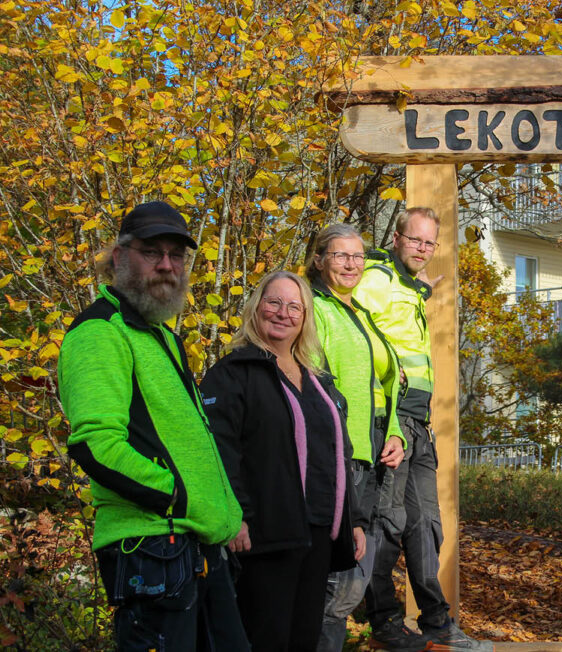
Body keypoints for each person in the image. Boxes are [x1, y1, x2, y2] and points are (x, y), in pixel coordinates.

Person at [58, 201, 249, 650]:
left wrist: (223, 513)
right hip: (150, 548)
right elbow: (95, 446)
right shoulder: (99, 332)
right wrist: (181, 498)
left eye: (176, 255)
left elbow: (189, 443)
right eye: (152, 252)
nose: (166, 265)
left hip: (192, 544)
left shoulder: (160, 334)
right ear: (120, 257)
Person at [200, 271, 364, 651]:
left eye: (294, 306)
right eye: (274, 302)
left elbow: (338, 452)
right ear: (256, 307)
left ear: (305, 317)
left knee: (303, 639)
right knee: (265, 638)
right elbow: (218, 451)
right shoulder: (233, 373)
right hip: (264, 536)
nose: (283, 313)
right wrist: (234, 514)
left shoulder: (320, 380)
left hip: (319, 533)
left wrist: (353, 520)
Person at [353, 207, 491, 651]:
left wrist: (420, 289)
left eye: (430, 243)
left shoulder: (406, 285)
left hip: (419, 421)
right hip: (389, 420)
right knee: (387, 524)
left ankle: (437, 622)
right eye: (415, 240)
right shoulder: (373, 278)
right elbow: (361, 336)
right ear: (396, 238)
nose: (423, 249)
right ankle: (384, 623)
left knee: (426, 525)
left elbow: (399, 326)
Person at [306, 224, 408, 651]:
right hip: (340, 459)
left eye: (358, 256)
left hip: (375, 456)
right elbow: (311, 387)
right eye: (340, 255)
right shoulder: (313, 308)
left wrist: (397, 433)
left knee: (356, 576)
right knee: (338, 583)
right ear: (319, 259)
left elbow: (388, 383)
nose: (352, 263)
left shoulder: (361, 313)